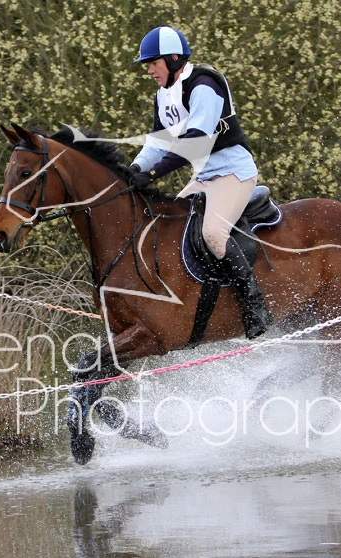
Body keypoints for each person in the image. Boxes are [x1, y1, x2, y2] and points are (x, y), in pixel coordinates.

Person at [128, 25, 273, 339]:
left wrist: (151, 175)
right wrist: (134, 169)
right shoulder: (164, 95)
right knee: (167, 225)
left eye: (153, 63)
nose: (149, 70)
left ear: (174, 59)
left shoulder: (204, 85)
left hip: (234, 173)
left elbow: (196, 142)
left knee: (212, 233)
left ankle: (255, 306)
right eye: (148, 65)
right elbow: (158, 144)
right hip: (205, 177)